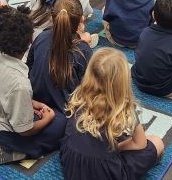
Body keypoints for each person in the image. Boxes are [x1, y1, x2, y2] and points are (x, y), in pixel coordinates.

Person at [61, 48, 164, 179]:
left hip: (73, 163)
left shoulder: (79, 95)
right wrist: (119, 147)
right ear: (123, 82)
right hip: (105, 172)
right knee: (157, 142)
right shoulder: (124, 107)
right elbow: (140, 144)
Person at [0, 6, 66, 165]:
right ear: (29, 42)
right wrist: (48, 118)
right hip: (15, 131)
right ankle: (18, 151)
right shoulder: (20, 83)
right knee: (61, 123)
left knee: (47, 114)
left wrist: (30, 103)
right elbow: (26, 131)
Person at [27, 0, 94, 114]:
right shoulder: (83, 51)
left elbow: (29, 66)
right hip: (66, 111)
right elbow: (89, 88)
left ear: (53, 18)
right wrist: (83, 42)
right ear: (80, 21)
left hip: (36, 103)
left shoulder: (41, 37)